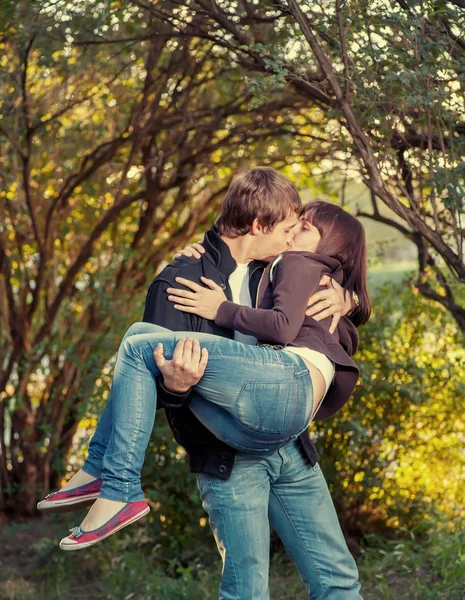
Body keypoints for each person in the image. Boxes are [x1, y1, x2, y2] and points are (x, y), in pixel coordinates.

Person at [38, 168, 366, 599]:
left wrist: (350, 301)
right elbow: (146, 391)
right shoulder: (182, 279)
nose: (292, 238)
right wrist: (176, 387)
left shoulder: (277, 268)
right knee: (246, 591)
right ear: (257, 226)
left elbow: (326, 324)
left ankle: (109, 479)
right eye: (288, 228)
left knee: (338, 580)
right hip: (230, 456)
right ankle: (106, 477)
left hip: (290, 446)